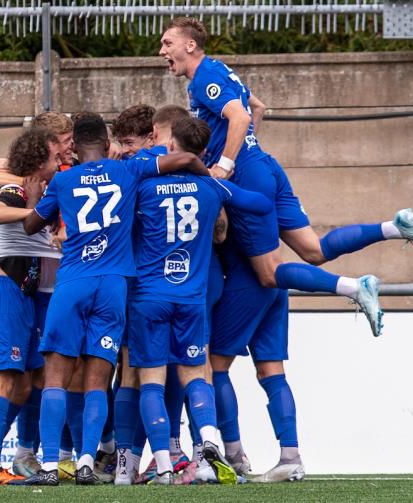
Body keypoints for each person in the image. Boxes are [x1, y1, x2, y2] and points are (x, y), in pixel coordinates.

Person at [159, 17, 413, 481]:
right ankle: (394, 227)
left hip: (247, 173)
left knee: (270, 273)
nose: (162, 50)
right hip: (267, 165)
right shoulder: (221, 71)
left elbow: (239, 115)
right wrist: (248, 149)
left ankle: (354, 287)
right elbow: (256, 104)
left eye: (168, 42)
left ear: (190, 44)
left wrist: (227, 164)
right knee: (312, 249)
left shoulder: (206, 76)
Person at [20, 112, 211, 486]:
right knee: (98, 378)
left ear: (73, 147)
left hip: (74, 280)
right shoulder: (127, 170)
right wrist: (210, 183)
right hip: (114, 285)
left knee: (56, 377)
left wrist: (32, 195)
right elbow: (187, 159)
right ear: (108, 145)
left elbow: (30, 225)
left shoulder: (62, 179)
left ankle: (47, 466)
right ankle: (89, 461)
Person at [128, 116, 273, 485]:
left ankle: (163, 465)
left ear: (171, 146)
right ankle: (208, 445)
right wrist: (222, 180)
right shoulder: (212, 187)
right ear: (205, 151)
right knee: (196, 376)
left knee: (151, 383)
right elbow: (259, 204)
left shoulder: (144, 185)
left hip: (149, 297)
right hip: (191, 299)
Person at [0, 112, 84, 480]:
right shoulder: (17, 187)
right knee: (4, 380)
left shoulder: (56, 184)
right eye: (56, 153)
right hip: (5, 290)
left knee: (30, 381)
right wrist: (36, 213)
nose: (62, 158)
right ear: (41, 156)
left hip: (31, 293)